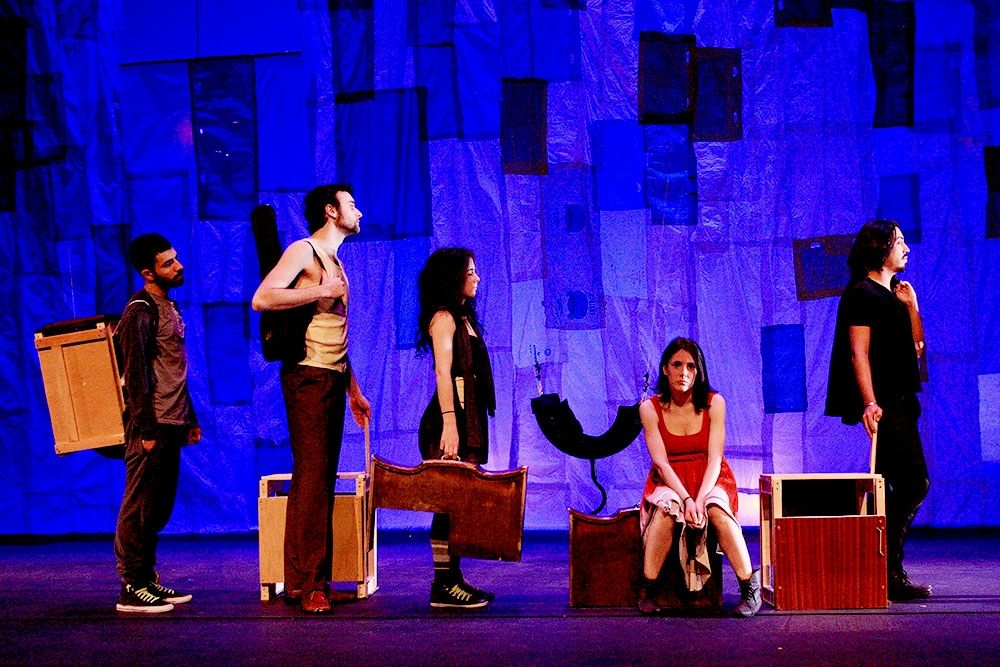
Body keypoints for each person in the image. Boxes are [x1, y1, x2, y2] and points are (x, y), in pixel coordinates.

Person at [252, 184, 371, 614]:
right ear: (330, 211)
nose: (358, 211)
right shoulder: (304, 251)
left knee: (319, 477)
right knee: (313, 476)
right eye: (351, 204)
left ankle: (308, 580)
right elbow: (262, 298)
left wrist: (353, 389)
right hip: (307, 376)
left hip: (331, 377)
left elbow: (336, 332)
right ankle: (308, 583)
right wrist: (319, 292)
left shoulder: (336, 262)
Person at [826, 219, 930, 601]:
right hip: (886, 403)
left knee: (890, 487)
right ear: (881, 249)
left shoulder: (896, 294)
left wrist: (912, 307)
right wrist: (869, 403)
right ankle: (888, 569)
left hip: (904, 399)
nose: (906, 248)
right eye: (899, 242)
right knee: (915, 482)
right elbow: (859, 353)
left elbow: (916, 349)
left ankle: (884, 571)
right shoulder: (862, 294)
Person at [638, 337, 761, 617]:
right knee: (667, 510)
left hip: (711, 476)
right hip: (669, 479)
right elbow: (661, 463)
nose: (684, 372)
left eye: (691, 366)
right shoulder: (649, 408)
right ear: (665, 369)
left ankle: (749, 586)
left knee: (716, 508)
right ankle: (648, 588)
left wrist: (701, 499)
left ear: (698, 370)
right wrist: (686, 499)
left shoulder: (714, 403)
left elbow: (715, 458)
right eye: (677, 365)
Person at [114, 233, 199, 613]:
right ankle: (131, 586)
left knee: (157, 507)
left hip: (172, 421)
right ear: (148, 273)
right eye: (168, 263)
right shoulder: (140, 311)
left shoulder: (169, 306)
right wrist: (146, 430)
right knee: (139, 507)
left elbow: (173, 369)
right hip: (151, 424)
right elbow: (136, 375)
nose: (178, 266)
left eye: (175, 258)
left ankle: (147, 579)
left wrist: (189, 417)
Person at [416, 248, 497, 610]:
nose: (476, 278)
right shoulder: (444, 319)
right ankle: (443, 584)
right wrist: (450, 423)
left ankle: (453, 578)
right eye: (470, 272)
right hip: (448, 422)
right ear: (453, 278)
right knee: (448, 503)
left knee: (459, 504)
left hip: (468, 420)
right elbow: (443, 372)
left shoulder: (464, 318)